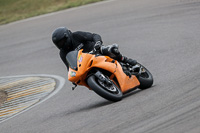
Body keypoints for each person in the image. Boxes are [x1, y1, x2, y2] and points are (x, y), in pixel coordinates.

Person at [52, 27, 137, 74]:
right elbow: (69, 67)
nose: (61, 45)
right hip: (86, 64)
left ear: (67, 36)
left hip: (96, 51)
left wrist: (97, 43)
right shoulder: (63, 53)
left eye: (62, 41)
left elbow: (94, 36)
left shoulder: (76, 35)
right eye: (58, 43)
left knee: (110, 50)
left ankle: (125, 60)